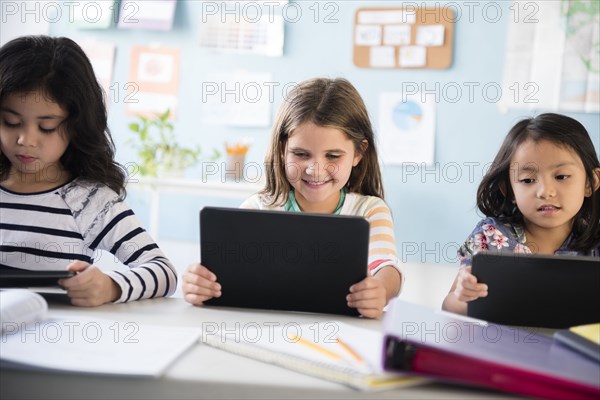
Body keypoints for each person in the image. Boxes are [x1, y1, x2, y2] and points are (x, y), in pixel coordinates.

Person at [183, 77, 402, 318]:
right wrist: (199, 284)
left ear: (359, 153)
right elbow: (221, 275)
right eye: (300, 153)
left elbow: (386, 267)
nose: (315, 169)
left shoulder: (369, 210)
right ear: (282, 149)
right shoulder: (257, 209)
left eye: (333, 156)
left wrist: (380, 290)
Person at [0, 35, 177, 306]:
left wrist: (111, 287)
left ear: (77, 125)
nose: (26, 140)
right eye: (11, 122)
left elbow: (163, 271)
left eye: (47, 127)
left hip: (52, 339)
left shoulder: (88, 201)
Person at [442, 113, 600, 315]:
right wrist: (464, 296)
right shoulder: (490, 237)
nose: (545, 192)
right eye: (527, 180)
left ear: (590, 183)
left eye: (561, 176)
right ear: (508, 190)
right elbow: (449, 306)